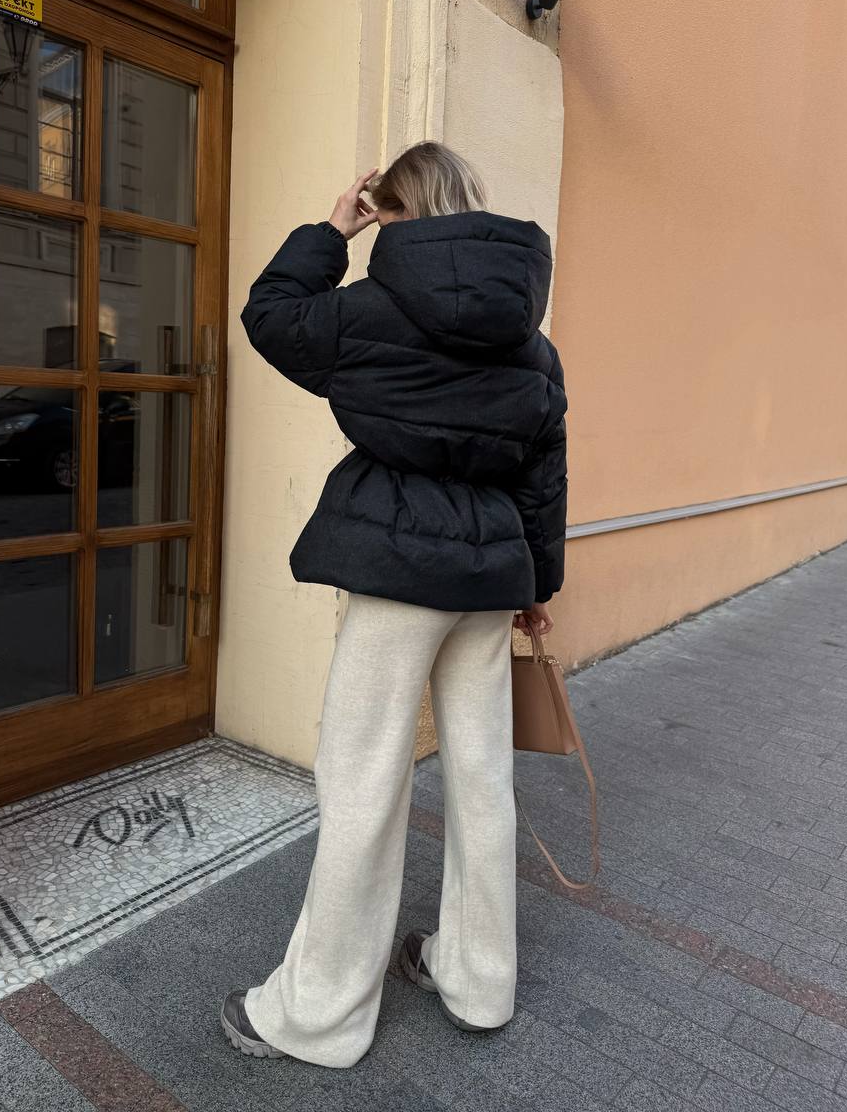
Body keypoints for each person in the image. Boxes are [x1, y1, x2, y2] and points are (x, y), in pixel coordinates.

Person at [220, 141, 568, 1068]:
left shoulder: (369, 313)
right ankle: (478, 981)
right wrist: (537, 586)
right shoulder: (531, 338)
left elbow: (269, 316)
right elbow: (544, 471)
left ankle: (319, 1015)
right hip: (489, 582)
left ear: (397, 210)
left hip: (400, 577)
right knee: (483, 774)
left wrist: (334, 229)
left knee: (363, 780)